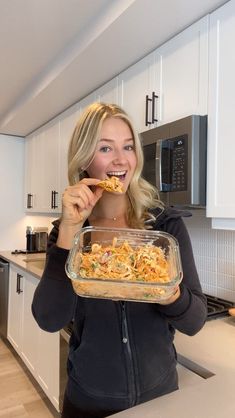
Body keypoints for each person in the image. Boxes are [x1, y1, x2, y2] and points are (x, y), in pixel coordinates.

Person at [32, 102, 207, 418]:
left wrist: (171, 294)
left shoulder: (163, 225)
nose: (121, 159)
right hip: (89, 402)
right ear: (85, 158)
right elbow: (48, 319)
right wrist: (69, 230)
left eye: (128, 146)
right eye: (105, 148)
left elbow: (194, 320)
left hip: (161, 399)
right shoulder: (70, 230)